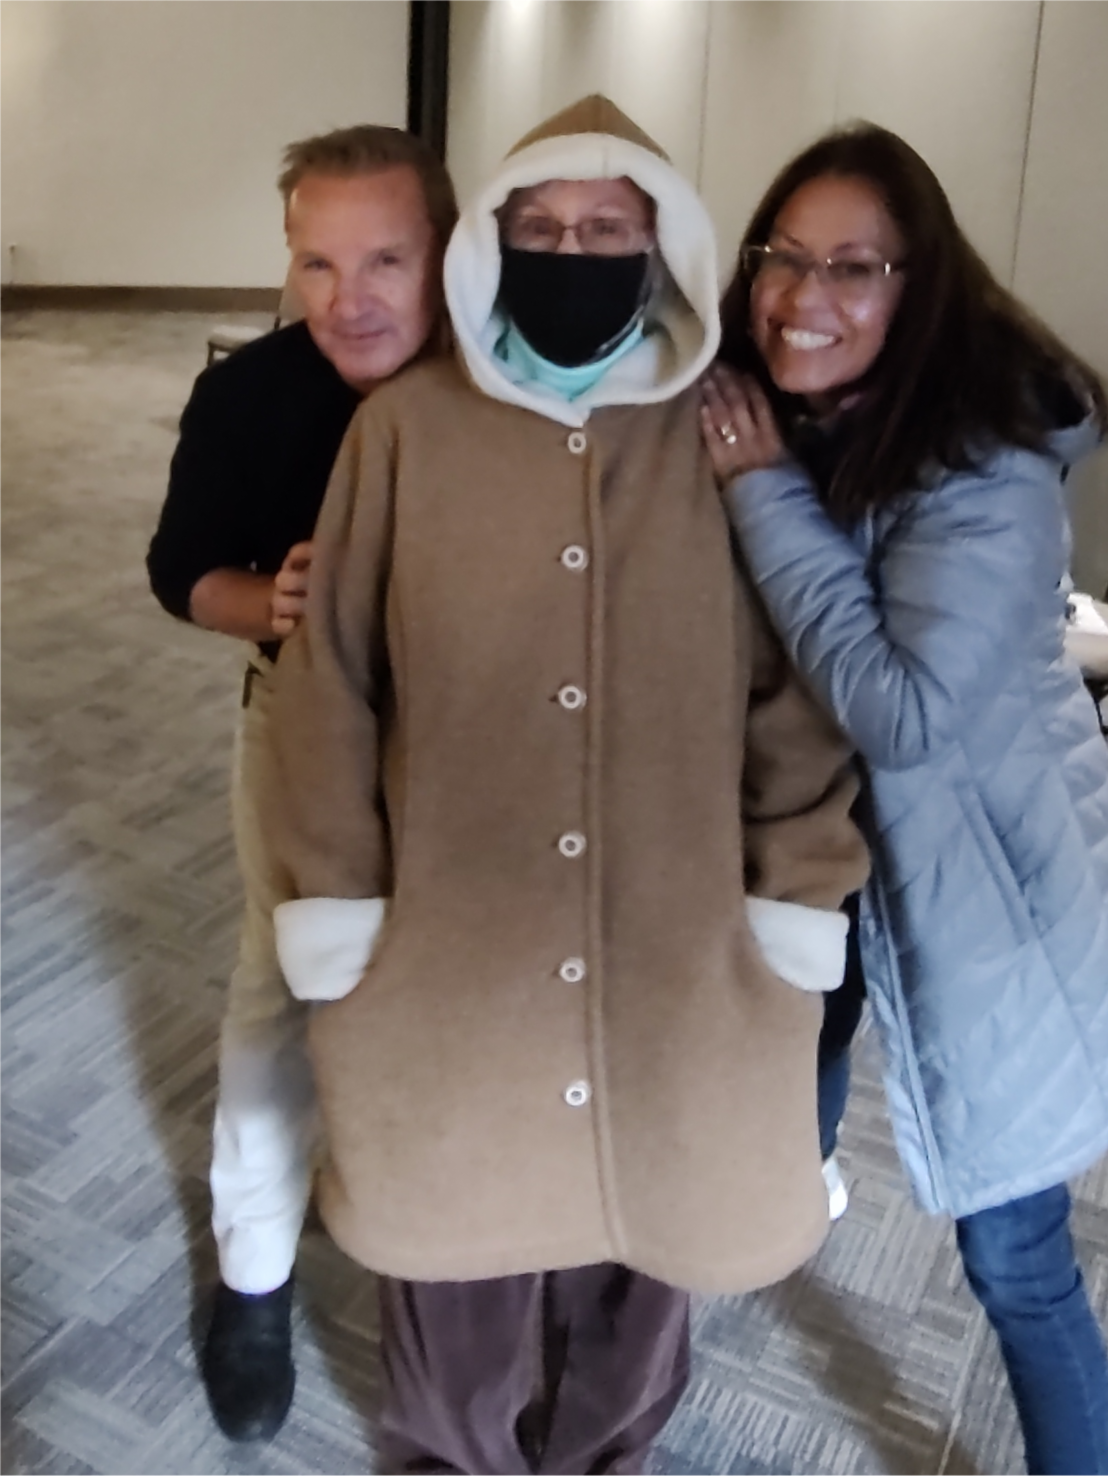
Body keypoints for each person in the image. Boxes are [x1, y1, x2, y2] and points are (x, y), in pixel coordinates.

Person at [263, 95, 869, 1476]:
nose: (571, 251)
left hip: (679, 937)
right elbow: (330, 681)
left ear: (663, 243)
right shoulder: (408, 430)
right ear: (491, 241)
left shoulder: (726, 433)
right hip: (454, 940)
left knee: (646, 1249)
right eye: (538, 227)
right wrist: (337, 897)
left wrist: (794, 898)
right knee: (456, 1250)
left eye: (606, 228)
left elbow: (795, 696)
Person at [700, 122, 1108, 1476]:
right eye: (783, 256)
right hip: (837, 862)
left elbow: (902, 715)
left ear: (920, 287)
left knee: (1015, 1256)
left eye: (853, 266)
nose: (804, 295)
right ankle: (795, 1195)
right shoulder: (800, 413)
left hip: (989, 897)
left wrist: (762, 495)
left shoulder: (981, 465)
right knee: (792, 1062)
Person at [146, 124, 457, 1443]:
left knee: (450, 997)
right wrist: (265, 603)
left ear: (449, 253)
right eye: (317, 263)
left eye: (386, 259)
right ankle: (256, 1279)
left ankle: (446, 1267)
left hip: (470, 745)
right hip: (300, 726)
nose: (349, 298)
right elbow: (181, 572)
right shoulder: (249, 397)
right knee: (276, 991)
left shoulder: (500, 387)